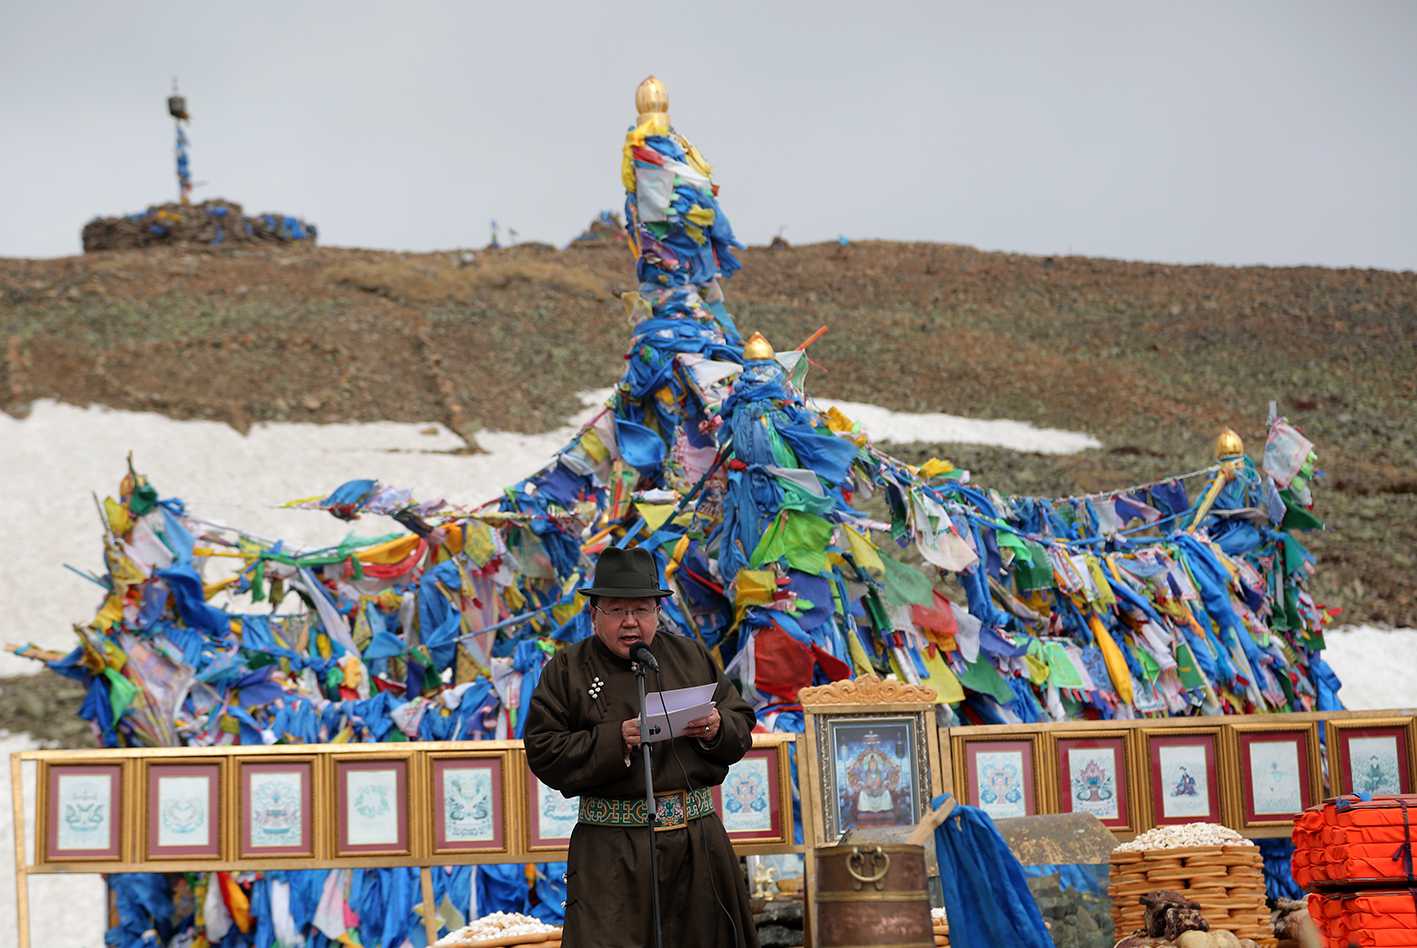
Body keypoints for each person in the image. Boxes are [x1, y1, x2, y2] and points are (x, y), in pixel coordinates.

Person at [523, 546, 760, 948]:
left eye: (643, 610)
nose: (631, 622)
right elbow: (544, 750)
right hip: (611, 851)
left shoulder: (689, 656)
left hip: (695, 844)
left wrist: (716, 728)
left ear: (657, 612)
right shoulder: (567, 670)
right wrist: (616, 738)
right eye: (617, 610)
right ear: (594, 613)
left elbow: (741, 723)